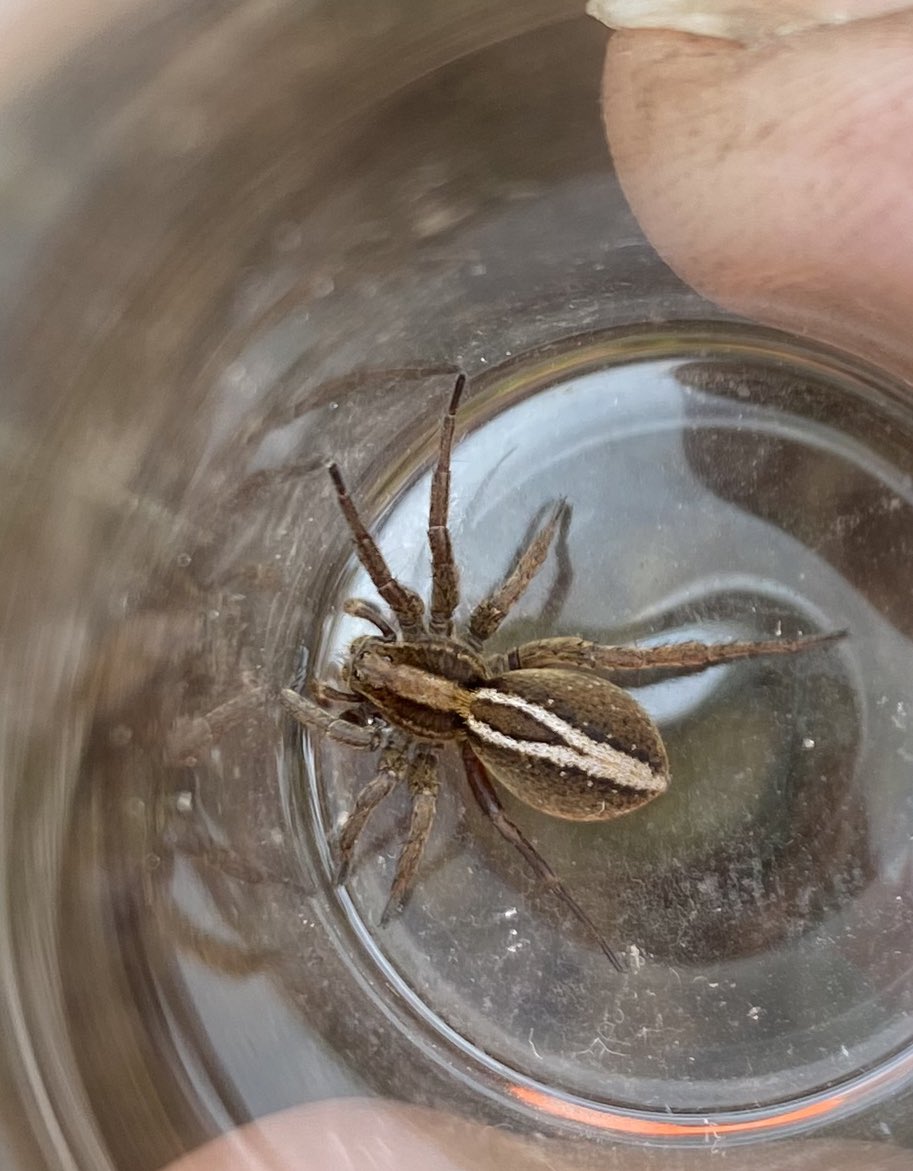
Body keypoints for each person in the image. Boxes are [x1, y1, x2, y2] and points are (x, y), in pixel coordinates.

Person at [164, 11, 913, 1168]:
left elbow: (397, 759)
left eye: (384, 648)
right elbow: (457, 630)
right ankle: (765, 661)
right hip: (537, 728)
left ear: (439, 649)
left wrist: (382, 501)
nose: (376, 650)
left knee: (609, 705)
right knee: (584, 728)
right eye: (383, 664)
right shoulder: (451, 688)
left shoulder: (435, 709)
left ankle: (759, 664)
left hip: (536, 725)